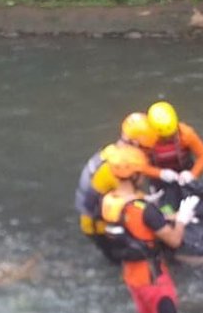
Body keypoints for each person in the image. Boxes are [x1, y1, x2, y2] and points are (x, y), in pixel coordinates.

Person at [100, 145, 199, 313]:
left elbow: (134, 221)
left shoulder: (109, 201)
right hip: (154, 281)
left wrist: (158, 211)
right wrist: (181, 220)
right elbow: (174, 240)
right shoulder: (145, 210)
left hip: (131, 277)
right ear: (135, 175)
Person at [75, 113, 176, 263]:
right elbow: (134, 204)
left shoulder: (112, 153)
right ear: (135, 143)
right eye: (147, 149)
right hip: (99, 227)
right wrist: (169, 216)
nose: (148, 154)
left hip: (97, 214)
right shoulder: (113, 170)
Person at [146, 101, 203, 208]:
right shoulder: (145, 139)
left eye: (171, 135)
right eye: (164, 137)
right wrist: (160, 173)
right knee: (162, 208)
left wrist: (192, 174)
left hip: (185, 175)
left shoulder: (186, 134)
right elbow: (139, 166)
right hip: (159, 179)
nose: (168, 139)